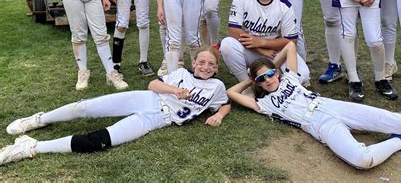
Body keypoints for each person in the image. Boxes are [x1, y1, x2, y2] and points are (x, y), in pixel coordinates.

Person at [227, 41, 401, 170]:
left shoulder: (289, 76)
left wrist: (270, 66)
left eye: (270, 74)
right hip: (319, 124)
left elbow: (289, 47)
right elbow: (231, 92)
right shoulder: (264, 103)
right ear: (256, 82)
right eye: (262, 79)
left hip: (331, 104)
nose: (268, 80)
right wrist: (251, 78)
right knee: (361, 160)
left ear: (277, 73)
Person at [0, 48, 230, 166]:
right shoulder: (181, 73)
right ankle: (40, 119)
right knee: (85, 108)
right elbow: (152, 84)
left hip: (157, 120)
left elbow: (225, 103)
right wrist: (175, 91)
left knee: (98, 141)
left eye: (211, 64)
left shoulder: (217, 86)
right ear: (193, 63)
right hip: (148, 99)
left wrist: (219, 115)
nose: (206, 66)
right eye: (201, 62)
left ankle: (32, 147)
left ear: (217, 68)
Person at [220, 0, 310, 85]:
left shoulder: (285, 6)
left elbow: (291, 41)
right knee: (227, 45)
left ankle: (277, 88)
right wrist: (259, 48)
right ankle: (247, 85)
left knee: (303, 75)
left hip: (275, 53)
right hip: (251, 50)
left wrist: (262, 42)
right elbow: (233, 30)